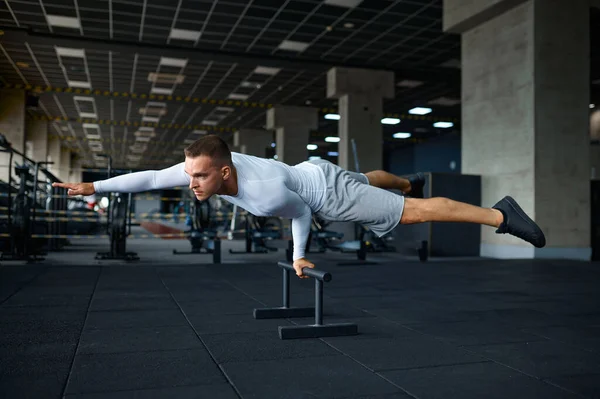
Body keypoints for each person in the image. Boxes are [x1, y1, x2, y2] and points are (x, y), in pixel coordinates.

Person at [53, 135, 546, 278]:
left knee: (411, 213)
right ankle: (406, 180)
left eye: (200, 175)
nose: (192, 183)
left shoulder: (260, 192)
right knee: (376, 181)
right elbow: (147, 177)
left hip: (322, 193)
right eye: (190, 174)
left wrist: (297, 257)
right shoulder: (208, 168)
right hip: (312, 168)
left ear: (225, 172)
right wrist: (95, 188)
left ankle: (501, 215)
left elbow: (302, 215)